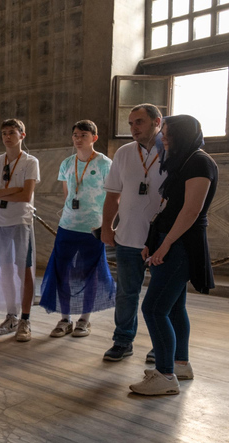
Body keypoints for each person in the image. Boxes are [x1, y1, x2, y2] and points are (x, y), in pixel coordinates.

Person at [130, 115, 217, 396]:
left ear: (183, 134)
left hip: (180, 245)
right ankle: (180, 364)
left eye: (167, 134)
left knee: (153, 308)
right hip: (169, 241)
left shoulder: (199, 162)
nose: (163, 139)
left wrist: (165, 245)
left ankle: (165, 375)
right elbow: (167, 207)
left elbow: (191, 211)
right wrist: (151, 241)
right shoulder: (184, 161)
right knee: (174, 308)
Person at [101, 104, 167, 362]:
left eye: (139, 122)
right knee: (127, 292)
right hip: (128, 237)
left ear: (157, 121)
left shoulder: (171, 150)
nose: (133, 128)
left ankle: (160, 344)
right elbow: (112, 195)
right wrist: (107, 226)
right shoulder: (124, 152)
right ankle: (123, 340)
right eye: (130, 123)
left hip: (161, 240)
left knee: (161, 296)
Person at [40, 120, 116, 337]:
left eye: (83, 134)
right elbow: (67, 194)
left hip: (93, 228)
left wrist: (107, 225)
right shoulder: (67, 163)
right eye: (75, 134)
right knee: (62, 272)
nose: (78, 138)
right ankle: (65, 318)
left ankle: (84, 319)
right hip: (67, 226)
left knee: (89, 274)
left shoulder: (104, 164)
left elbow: (113, 197)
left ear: (94, 137)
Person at [0, 119, 40, 342]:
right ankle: (11, 316)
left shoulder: (30, 162)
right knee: (4, 269)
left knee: (23, 269)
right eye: (4, 133)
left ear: (22, 135)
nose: (7, 137)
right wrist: (12, 190)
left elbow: (26, 196)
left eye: (12, 132)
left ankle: (25, 318)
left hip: (21, 221)